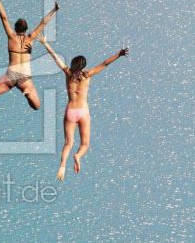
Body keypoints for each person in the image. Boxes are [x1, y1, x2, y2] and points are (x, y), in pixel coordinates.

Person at [37, 33, 129, 180]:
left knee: (68, 142)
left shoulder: (67, 73)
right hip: (83, 112)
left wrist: (45, 43)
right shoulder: (87, 75)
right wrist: (119, 54)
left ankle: (62, 165)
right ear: (84, 66)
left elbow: (55, 58)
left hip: (70, 111)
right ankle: (78, 156)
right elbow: (105, 63)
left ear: (73, 65)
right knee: (85, 144)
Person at [0, 0, 59, 110]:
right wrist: (54, 10)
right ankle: (28, 94)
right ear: (26, 29)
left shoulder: (11, 37)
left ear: (15, 28)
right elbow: (43, 23)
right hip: (24, 77)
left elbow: (4, 19)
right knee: (36, 105)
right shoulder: (30, 38)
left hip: (10, 75)